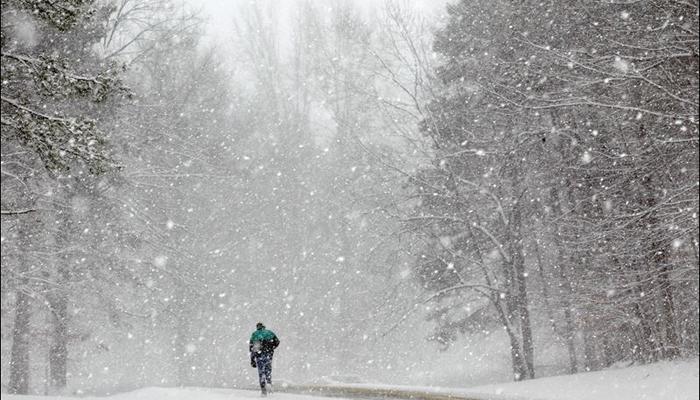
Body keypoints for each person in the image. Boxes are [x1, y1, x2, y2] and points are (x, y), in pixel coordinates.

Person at [249, 322, 280, 396]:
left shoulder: (255, 335)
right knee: (268, 371)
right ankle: (269, 383)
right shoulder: (270, 333)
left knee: (261, 372)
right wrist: (272, 348)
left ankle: (263, 391)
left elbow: (252, 348)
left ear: (257, 327)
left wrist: (252, 360)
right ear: (263, 327)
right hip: (268, 355)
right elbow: (277, 342)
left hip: (259, 356)